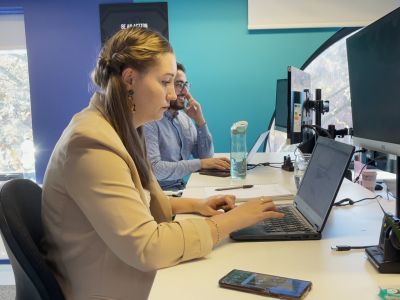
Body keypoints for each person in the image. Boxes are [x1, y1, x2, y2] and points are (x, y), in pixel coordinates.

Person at [41, 27, 284, 300]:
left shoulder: (120, 128)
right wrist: (229, 222)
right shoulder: (91, 144)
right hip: (104, 289)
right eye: (166, 82)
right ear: (130, 79)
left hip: (115, 270)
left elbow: (135, 202)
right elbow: (148, 247)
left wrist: (196, 205)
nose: (172, 96)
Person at [143, 62, 229, 190]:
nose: (184, 91)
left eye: (185, 85)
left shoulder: (185, 119)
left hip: (181, 189)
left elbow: (206, 157)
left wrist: (200, 121)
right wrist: (200, 164)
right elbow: (156, 170)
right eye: (178, 85)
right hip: (159, 194)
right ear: (165, 85)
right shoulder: (149, 121)